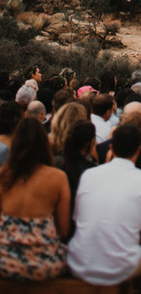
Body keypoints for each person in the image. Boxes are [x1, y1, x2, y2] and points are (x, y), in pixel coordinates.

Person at [67, 123, 141, 292]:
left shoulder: (89, 175)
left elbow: (78, 220)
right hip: (119, 267)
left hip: (79, 261)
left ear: (111, 148)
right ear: (138, 150)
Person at [0, 118, 70, 281]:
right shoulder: (58, 178)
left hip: (4, 262)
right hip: (45, 264)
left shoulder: (3, 175)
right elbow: (64, 230)